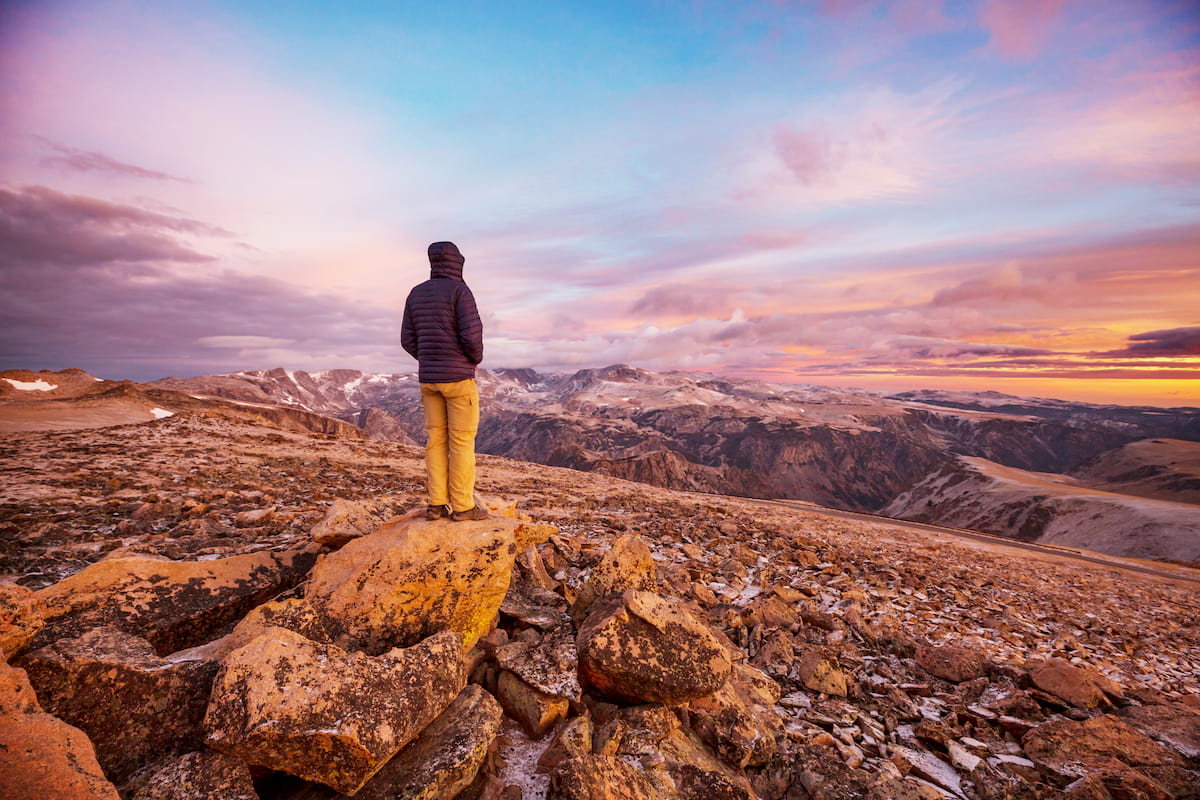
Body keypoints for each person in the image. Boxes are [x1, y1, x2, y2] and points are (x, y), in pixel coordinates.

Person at [401, 241, 488, 521]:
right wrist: (472, 360)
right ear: (457, 262)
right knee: (461, 442)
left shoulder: (416, 293)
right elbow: (471, 336)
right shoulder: (460, 291)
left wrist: (429, 358)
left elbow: (407, 339)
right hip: (459, 379)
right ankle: (463, 507)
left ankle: (436, 504)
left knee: (436, 441)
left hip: (429, 380)